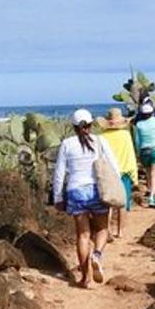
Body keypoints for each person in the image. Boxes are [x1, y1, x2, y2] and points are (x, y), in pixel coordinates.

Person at [51, 108, 120, 287]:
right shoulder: (100, 141)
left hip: (75, 191)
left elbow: (59, 173)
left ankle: (85, 278)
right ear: (90, 125)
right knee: (103, 229)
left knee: (82, 235)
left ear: (74, 127)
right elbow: (114, 166)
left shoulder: (67, 144)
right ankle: (97, 255)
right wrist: (117, 188)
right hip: (97, 190)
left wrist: (58, 197)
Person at [97, 107, 138, 239]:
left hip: (108, 173)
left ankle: (107, 229)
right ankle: (120, 231)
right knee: (123, 203)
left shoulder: (101, 137)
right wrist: (134, 176)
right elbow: (130, 155)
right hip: (124, 172)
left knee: (107, 202)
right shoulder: (125, 135)